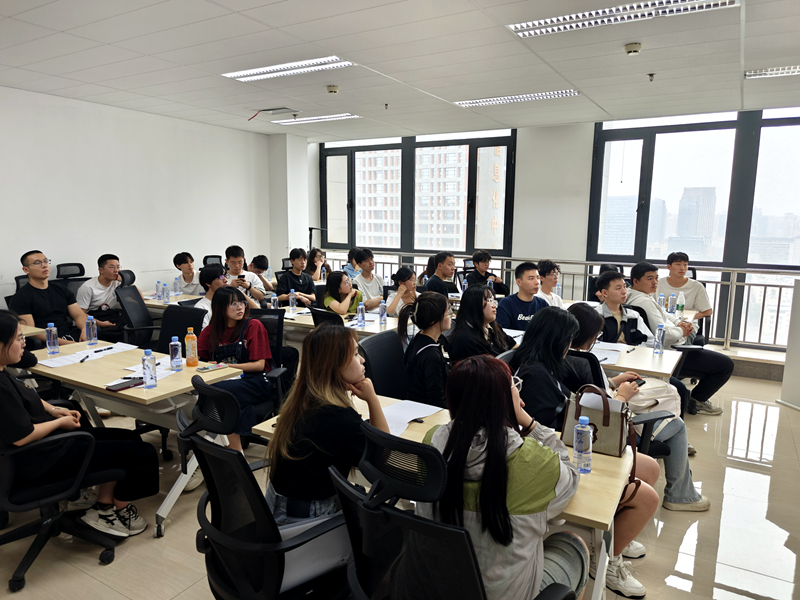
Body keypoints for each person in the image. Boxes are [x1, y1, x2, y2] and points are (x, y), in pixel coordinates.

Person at [413, 355, 588, 600]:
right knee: (575, 542)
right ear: (506, 400)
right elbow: (571, 475)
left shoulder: (432, 442)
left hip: (437, 587)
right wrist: (528, 423)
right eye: (514, 385)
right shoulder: (535, 462)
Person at [0, 309, 158, 537]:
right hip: (43, 460)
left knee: (130, 437)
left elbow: (28, 395)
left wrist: (54, 410)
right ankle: (113, 510)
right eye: (18, 338)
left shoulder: (4, 372)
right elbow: (22, 437)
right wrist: (59, 423)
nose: (24, 343)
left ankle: (103, 505)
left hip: (46, 447)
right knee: (142, 453)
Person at [565, 303, 711, 514]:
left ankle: (680, 489)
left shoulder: (566, 358)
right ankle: (680, 495)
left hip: (587, 422)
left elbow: (589, 392)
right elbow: (604, 406)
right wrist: (623, 395)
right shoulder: (587, 360)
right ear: (590, 334)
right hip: (608, 427)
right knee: (677, 424)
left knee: (662, 403)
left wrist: (614, 382)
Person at [266, 324, 389, 525]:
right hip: (304, 521)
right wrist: (372, 399)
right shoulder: (337, 417)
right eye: (355, 354)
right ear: (335, 365)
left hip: (279, 508)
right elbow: (383, 456)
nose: (362, 360)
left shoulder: (304, 401)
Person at [627, 262, 733, 416]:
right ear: (636, 281)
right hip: (670, 353)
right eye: (650, 279)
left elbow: (663, 314)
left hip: (660, 351)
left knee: (705, 353)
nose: (655, 282)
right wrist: (682, 331)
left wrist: (678, 323)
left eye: (656, 278)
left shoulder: (636, 295)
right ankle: (696, 400)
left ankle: (691, 399)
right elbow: (665, 334)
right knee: (725, 365)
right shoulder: (643, 301)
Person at [594, 270, 693, 423]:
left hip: (635, 365)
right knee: (670, 389)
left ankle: (671, 426)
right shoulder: (595, 316)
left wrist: (632, 350)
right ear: (604, 293)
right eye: (618, 288)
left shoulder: (633, 315)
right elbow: (592, 345)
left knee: (679, 388)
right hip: (609, 369)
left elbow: (650, 341)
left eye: (624, 287)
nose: (624, 291)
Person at [197, 287, 273, 452]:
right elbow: (199, 360)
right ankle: (227, 446)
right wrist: (208, 364)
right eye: (233, 304)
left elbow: (259, 365)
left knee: (218, 392)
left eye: (242, 303)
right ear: (220, 308)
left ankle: (233, 449)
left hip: (255, 380)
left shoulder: (253, 325)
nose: (240, 307)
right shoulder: (211, 331)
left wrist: (226, 366)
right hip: (225, 379)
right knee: (213, 391)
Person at [508, 307, 578, 431]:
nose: (569, 345)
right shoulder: (536, 376)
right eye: (569, 339)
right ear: (556, 340)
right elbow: (544, 428)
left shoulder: (541, 364)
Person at [10, 250, 87, 345]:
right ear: (26, 270)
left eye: (46, 261)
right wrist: (68, 343)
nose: (44, 265)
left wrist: (85, 329)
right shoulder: (21, 297)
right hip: (48, 343)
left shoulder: (61, 289)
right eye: (37, 263)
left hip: (70, 336)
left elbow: (79, 315)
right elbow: (31, 331)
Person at [398, 292, 452, 408]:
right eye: (448, 312)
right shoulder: (431, 355)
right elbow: (436, 401)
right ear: (434, 321)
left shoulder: (422, 338)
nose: (451, 316)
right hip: (424, 410)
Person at [449, 285, 516, 362]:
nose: (494, 306)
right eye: (490, 301)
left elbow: (513, 346)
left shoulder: (492, 327)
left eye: (494, 301)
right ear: (475, 304)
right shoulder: (465, 339)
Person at [657, 252, 713, 343]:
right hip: (663, 322)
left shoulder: (696, 286)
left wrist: (688, 318)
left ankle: (683, 352)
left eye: (685, 265)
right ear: (669, 267)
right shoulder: (658, 284)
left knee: (682, 339)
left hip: (687, 325)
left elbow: (708, 311)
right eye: (678, 264)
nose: (682, 268)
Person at [76, 254, 128, 342]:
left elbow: (139, 297)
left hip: (110, 316)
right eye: (112, 267)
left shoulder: (117, 282)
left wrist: (125, 281)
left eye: (118, 267)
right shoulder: (88, 288)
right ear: (101, 270)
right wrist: (100, 323)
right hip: (93, 319)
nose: (116, 270)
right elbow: (79, 314)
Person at [196, 264, 257, 330]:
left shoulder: (232, 301)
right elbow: (205, 334)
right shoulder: (201, 308)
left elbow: (258, 312)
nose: (226, 280)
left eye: (226, 276)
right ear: (208, 283)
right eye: (221, 277)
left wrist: (239, 293)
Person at [496, 261, 548, 331]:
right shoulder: (506, 304)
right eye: (531, 278)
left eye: (538, 278)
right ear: (519, 282)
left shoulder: (543, 304)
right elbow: (502, 331)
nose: (537, 282)